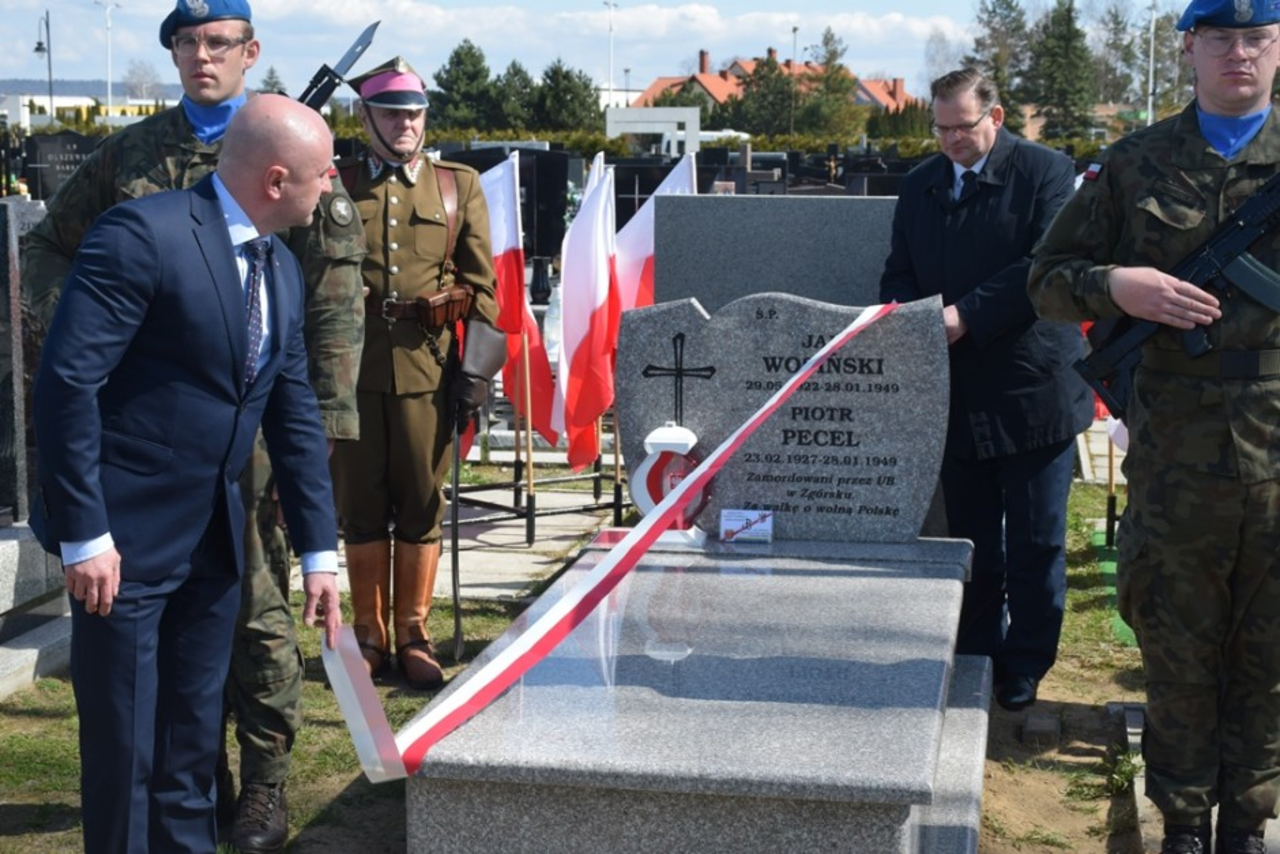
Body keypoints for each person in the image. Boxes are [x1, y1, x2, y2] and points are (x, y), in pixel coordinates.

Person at [19, 1, 365, 849]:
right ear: (277, 181)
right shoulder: (141, 233)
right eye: (322, 176)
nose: (332, 189)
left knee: (186, 749)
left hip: (215, 541)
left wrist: (319, 552)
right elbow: (67, 383)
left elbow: (292, 409)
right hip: (124, 547)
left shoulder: (279, 267)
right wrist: (85, 534)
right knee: (127, 752)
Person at [1029, 1, 1280, 850]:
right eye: (1221, 39)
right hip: (1176, 448)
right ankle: (1183, 819)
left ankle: (1248, 821)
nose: (1240, 53)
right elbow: (1046, 279)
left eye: (1258, 38)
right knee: (1175, 639)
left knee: (1270, 652)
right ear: (1190, 49)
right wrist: (1117, 286)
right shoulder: (1137, 163)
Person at [878, 67, 1093, 713]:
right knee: (973, 539)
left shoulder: (1045, 172)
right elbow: (900, 269)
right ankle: (976, 651)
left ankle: (1024, 662)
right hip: (956, 388)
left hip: (1032, 384)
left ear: (995, 118)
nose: (950, 140)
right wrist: (904, 315)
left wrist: (966, 315)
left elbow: (1044, 265)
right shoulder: (920, 184)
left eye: (962, 127)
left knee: (1035, 538)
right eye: (940, 129)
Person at [330, 57, 502, 691]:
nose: (405, 123)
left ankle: (413, 632)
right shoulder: (337, 182)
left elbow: (482, 288)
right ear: (365, 117)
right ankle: (368, 633)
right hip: (351, 370)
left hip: (428, 370)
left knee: (422, 503)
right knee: (360, 504)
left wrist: (476, 374)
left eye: (414, 112)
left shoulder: (457, 185)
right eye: (392, 112)